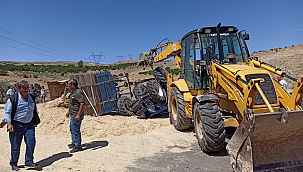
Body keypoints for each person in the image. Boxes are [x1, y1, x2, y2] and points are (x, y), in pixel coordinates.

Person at [2, 80, 39, 171]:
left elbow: (34, 110)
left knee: (31, 143)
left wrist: (35, 120)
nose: (27, 90)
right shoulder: (13, 99)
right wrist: (9, 124)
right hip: (16, 125)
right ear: (19, 89)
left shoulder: (32, 98)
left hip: (29, 125)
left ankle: (29, 161)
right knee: (15, 146)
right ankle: (14, 163)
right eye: (24, 88)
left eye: (27, 87)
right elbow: (7, 112)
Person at [65, 79, 85, 153]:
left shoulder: (78, 93)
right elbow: (73, 104)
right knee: (72, 129)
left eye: (69, 85)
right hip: (72, 114)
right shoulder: (73, 92)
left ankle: (78, 146)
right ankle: (74, 142)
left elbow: (82, 104)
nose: (68, 86)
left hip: (76, 115)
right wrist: (68, 112)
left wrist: (78, 115)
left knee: (75, 131)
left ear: (73, 85)